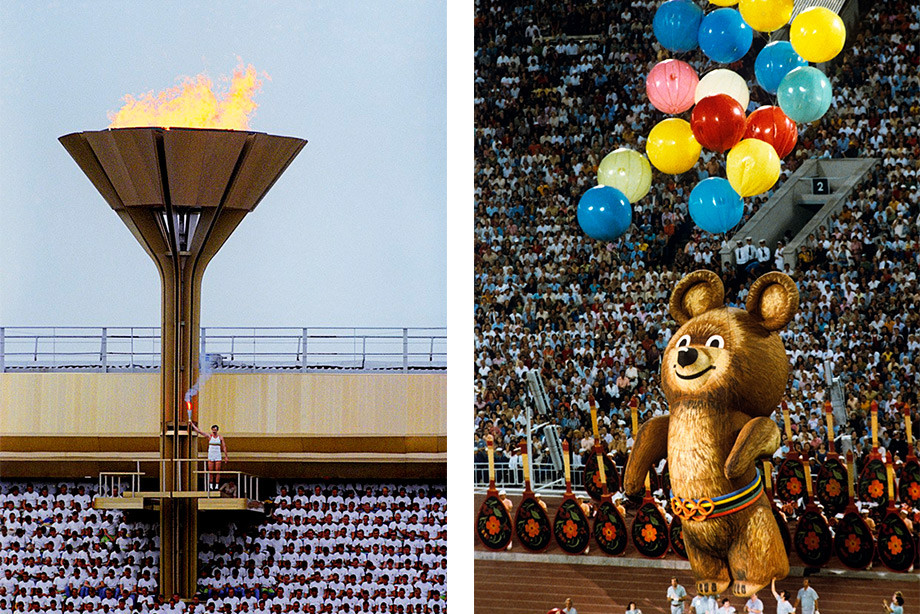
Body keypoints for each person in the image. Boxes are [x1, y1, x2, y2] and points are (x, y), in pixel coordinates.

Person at [190, 422, 228, 490]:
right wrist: (192, 425)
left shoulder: (220, 437)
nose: (214, 431)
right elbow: (200, 432)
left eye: (215, 430)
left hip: (218, 454)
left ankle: (216, 484)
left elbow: (224, 446)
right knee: (210, 470)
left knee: (217, 470)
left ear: (217, 430)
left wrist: (226, 456)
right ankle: (210, 484)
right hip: (211, 454)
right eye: (213, 430)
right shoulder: (209, 436)